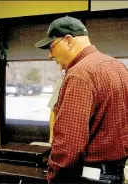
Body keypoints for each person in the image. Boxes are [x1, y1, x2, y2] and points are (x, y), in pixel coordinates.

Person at [35, 16, 128, 183]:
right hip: (116, 173)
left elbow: (69, 146)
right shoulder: (119, 67)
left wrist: (53, 177)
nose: (50, 55)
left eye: (51, 47)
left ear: (69, 41)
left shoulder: (79, 74)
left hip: (89, 175)